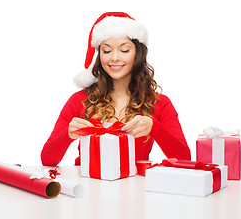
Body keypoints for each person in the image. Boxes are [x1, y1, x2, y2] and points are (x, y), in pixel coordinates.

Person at [41, 12, 191, 166]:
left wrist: (155, 129)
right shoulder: (79, 100)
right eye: (106, 51)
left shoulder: (159, 103)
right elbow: (47, 159)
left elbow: (184, 159)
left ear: (138, 54)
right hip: (88, 187)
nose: (114, 58)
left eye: (124, 50)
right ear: (99, 55)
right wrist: (67, 135)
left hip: (135, 189)